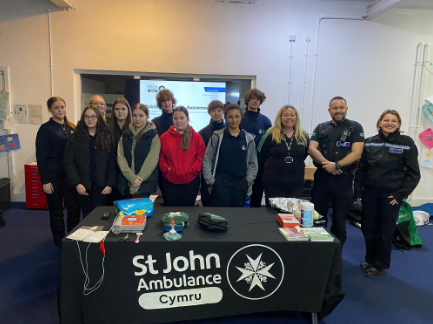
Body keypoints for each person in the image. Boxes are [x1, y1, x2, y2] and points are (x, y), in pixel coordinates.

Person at [354, 110, 420, 278]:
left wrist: (400, 195)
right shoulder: (369, 142)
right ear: (380, 122)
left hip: (390, 196)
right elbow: (361, 169)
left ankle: (380, 264)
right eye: (386, 120)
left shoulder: (406, 144)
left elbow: (414, 174)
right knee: (369, 229)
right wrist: (358, 191)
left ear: (398, 124)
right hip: (369, 193)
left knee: (385, 231)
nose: (389, 123)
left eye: (394, 121)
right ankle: (370, 259)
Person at [308, 96, 364, 247]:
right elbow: (312, 148)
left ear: (346, 109)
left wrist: (337, 165)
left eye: (341, 107)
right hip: (322, 178)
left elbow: (357, 153)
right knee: (318, 217)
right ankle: (319, 249)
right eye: (335, 108)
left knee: (340, 220)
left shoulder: (355, 128)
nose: (338, 111)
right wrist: (328, 165)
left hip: (343, 180)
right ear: (329, 110)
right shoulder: (321, 127)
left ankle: (336, 253)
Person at [36, 96, 80, 247]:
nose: (60, 110)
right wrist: (45, 181)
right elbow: (41, 157)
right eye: (56, 107)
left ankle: (73, 237)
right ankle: (59, 241)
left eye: (62, 107)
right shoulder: (45, 129)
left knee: (74, 208)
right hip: (53, 175)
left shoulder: (71, 127)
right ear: (49, 110)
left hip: (70, 175)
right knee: (56, 210)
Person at [63, 105, 117, 217]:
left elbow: (112, 163)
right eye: (87, 117)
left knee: (100, 218)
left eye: (93, 116)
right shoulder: (75, 138)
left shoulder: (107, 137)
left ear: (98, 118)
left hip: (102, 187)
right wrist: (76, 183)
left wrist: (110, 184)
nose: (90, 119)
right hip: (83, 186)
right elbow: (69, 163)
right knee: (87, 218)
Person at [203, 104, 258, 207]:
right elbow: (207, 158)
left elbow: (253, 163)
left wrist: (248, 181)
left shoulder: (248, 139)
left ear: (241, 118)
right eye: (230, 116)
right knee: (220, 215)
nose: (234, 120)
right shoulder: (217, 136)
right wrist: (210, 180)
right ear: (225, 118)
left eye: (237, 116)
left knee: (237, 215)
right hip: (220, 183)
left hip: (240, 183)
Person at [258, 105, 309, 205]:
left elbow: (305, 153)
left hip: (296, 181)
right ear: (280, 118)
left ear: (296, 117)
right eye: (286, 115)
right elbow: (260, 152)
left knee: (292, 211)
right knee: (273, 211)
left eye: (292, 115)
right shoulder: (271, 133)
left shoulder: (303, 135)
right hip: (273, 180)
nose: (289, 118)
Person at [159, 106, 205, 206]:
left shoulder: (196, 137)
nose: (178, 121)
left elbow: (200, 157)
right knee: (171, 212)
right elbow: (161, 157)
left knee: (188, 211)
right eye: (175, 118)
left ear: (188, 119)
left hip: (191, 182)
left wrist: (191, 170)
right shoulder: (164, 137)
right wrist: (167, 169)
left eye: (182, 118)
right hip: (170, 181)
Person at [117, 104, 160, 199]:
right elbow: (121, 159)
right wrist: (132, 178)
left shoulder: (154, 136)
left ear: (147, 117)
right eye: (135, 115)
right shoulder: (125, 135)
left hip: (144, 184)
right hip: (125, 182)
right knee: (126, 213)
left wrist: (136, 183)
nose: (137, 119)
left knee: (140, 213)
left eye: (141, 115)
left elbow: (151, 162)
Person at [240, 88, 272, 207]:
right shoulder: (239, 118)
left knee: (256, 197)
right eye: (252, 98)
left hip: (260, 165)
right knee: (240, 196)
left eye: (257, 99)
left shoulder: (266, 122)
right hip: (241, 163)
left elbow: (269, 145)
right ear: (248, 100)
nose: (255, 101)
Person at [198, 100, 226, 206]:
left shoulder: (229, 131)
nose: (216, 113)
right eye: (213, 111)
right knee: (207, 202)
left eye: (219, 110)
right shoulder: (202, 133)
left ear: (223, 112)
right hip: (207, 173)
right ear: (209, 113)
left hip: (224, 173)